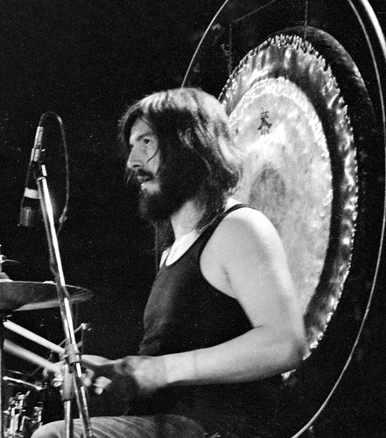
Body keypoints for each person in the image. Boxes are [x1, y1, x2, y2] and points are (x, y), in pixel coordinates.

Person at [33, 88, 307, 438]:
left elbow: (285, 344)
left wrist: (159, 370)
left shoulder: (238, 227)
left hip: (213, 426)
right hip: (164, 422)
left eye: (146, 142)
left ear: (190, 144)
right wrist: (116, 372)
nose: (132, 162)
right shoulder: (172, 251)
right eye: (132, 146)